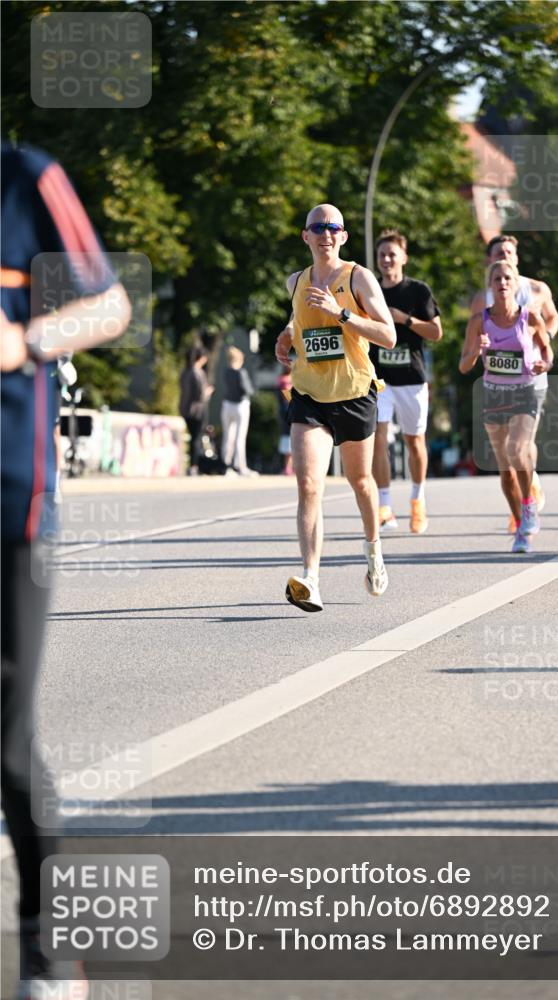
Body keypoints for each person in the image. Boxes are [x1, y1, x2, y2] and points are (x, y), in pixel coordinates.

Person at [1, 141, 131, 998]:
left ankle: (51, 953)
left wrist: (26, 339)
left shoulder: (27, 179)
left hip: (12, 499)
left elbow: (110, 307)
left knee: (6, 737)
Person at [275, 203, 396, 612]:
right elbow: (300, 321)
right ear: (305, 236)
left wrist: (341, 313)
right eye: (317, 227)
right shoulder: (296, 281)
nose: (326, 234)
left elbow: (388, 335)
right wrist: (287, 335)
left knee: (360, 482)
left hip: (354, 392)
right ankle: (310, 578)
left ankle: (373, 551)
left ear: (343, 236)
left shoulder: (357, 277)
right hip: (309, 394)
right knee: (309, 484)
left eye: (334, 228)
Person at [460, 259, 552, 554]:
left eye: (507, 278)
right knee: (505, 469)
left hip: (525, 391)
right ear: (490, 285)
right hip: (493, 393)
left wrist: (544, 363)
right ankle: (520, 526)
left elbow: (547, 348)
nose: (502, 283)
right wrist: (477, 349)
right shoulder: (478, 321)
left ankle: (529, 507)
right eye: (497, 279)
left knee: (517, 449)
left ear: (516, 284)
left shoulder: (530, 317)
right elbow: (464, 365)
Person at [370, 229, 442, 534]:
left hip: (412, 378)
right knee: (378, 440)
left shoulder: (418, 291)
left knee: (414, 441)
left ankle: (417, 499)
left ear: (404, 258)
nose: (387, 259)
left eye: (392, 254)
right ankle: (384, 506)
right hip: (378, 378)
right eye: (382, 255)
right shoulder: (370, 290)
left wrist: (405, 320)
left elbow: (436, 333)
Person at [220, 345, 257, 476]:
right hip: (240, 406)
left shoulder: (226, 372)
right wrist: (253, 392)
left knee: (228, 436)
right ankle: (240, 466)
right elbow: (247, 390)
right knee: (240, 437)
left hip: (227, 405)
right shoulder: (241, 372)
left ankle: (226, 465)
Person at [179, 343, 212, 475]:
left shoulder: (185, 372)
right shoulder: (198, 373)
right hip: (197, 410)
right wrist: (208, 391)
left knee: (192, 437)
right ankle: (194, 465)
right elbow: (200, 394)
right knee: (196, 438)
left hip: (185, 409)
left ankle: (191, 465)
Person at [276, 366, 294, 475]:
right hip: (289, 413)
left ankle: (288, 467)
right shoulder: (287, 382)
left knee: (287, 440)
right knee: (291, 441)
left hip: (283, 414)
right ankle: (288, 468)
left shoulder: (280, 381)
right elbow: (289, 398)